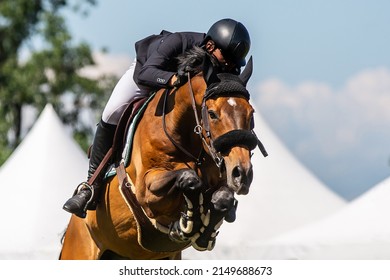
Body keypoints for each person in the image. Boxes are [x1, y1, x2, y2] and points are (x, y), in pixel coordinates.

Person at [63, 18, 251, 218]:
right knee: (112, 112)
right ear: (210, 45)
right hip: (147, 76)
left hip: (179, 94)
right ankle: (91, 187)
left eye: (234, 62)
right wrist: (173, 80)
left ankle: (220, 186)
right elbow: (147, 73)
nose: (230, 65)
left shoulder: (227, 64)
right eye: (227, 58)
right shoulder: (178, 41)